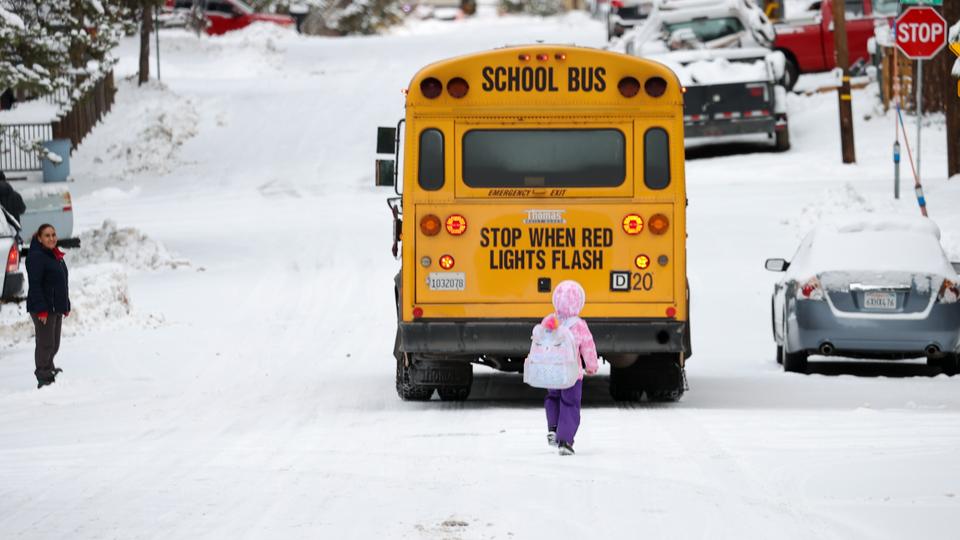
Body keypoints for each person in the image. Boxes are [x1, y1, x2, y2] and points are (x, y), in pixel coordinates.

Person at [540, 280, 599, 456]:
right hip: (572, 373)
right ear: (579, 303)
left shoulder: (550, 322)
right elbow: (588, 347)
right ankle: (565, 441)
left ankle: (553, 427)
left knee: (553, 398)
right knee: (570, 403)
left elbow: (541, 343)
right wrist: (592, 366)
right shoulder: (579, 325)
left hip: (552, 372)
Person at [25, 224, 70, 389]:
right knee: (46, 343)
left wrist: (66, 304)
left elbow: (62, 283)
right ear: (39, 238)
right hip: (43, 308)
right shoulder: (36, 257)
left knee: (54, 343)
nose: (51, 238)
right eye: (47, 235)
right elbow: (35, 285)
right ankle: (43, 375)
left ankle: (49, 368)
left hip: (55, 307)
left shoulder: (55, 255)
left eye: (53, 235)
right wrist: (41, 309)